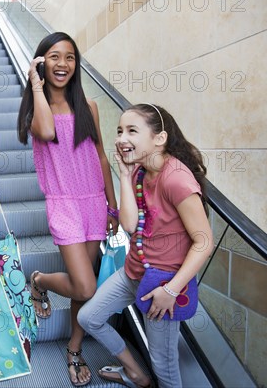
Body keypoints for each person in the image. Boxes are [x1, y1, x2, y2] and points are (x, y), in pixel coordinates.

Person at [77, 103, 214, 387]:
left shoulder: (176, 178)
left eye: (131, 131)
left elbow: (204, 241)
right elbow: (128, 225)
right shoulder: (140, 172)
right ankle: (136, 373)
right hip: (133, 272)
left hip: (162, 285)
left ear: (159, 138)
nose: (120, 138)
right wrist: (125, 177)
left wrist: (171, 290)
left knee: (164, 367)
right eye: (119, 131)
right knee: (89, 317)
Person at [17, 32, 119, 386]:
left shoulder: (89, 106)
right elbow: (46, 130)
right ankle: (40, 280)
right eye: (55, 57)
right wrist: (35, 83)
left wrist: (113, 205)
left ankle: (74, 349)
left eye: (70, 57)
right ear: (41, 61)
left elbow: (101, 156)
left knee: (82, 285)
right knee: (86, 287)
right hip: (63, 205)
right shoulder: (36, 108)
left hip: (94, 203)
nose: (63, 64)